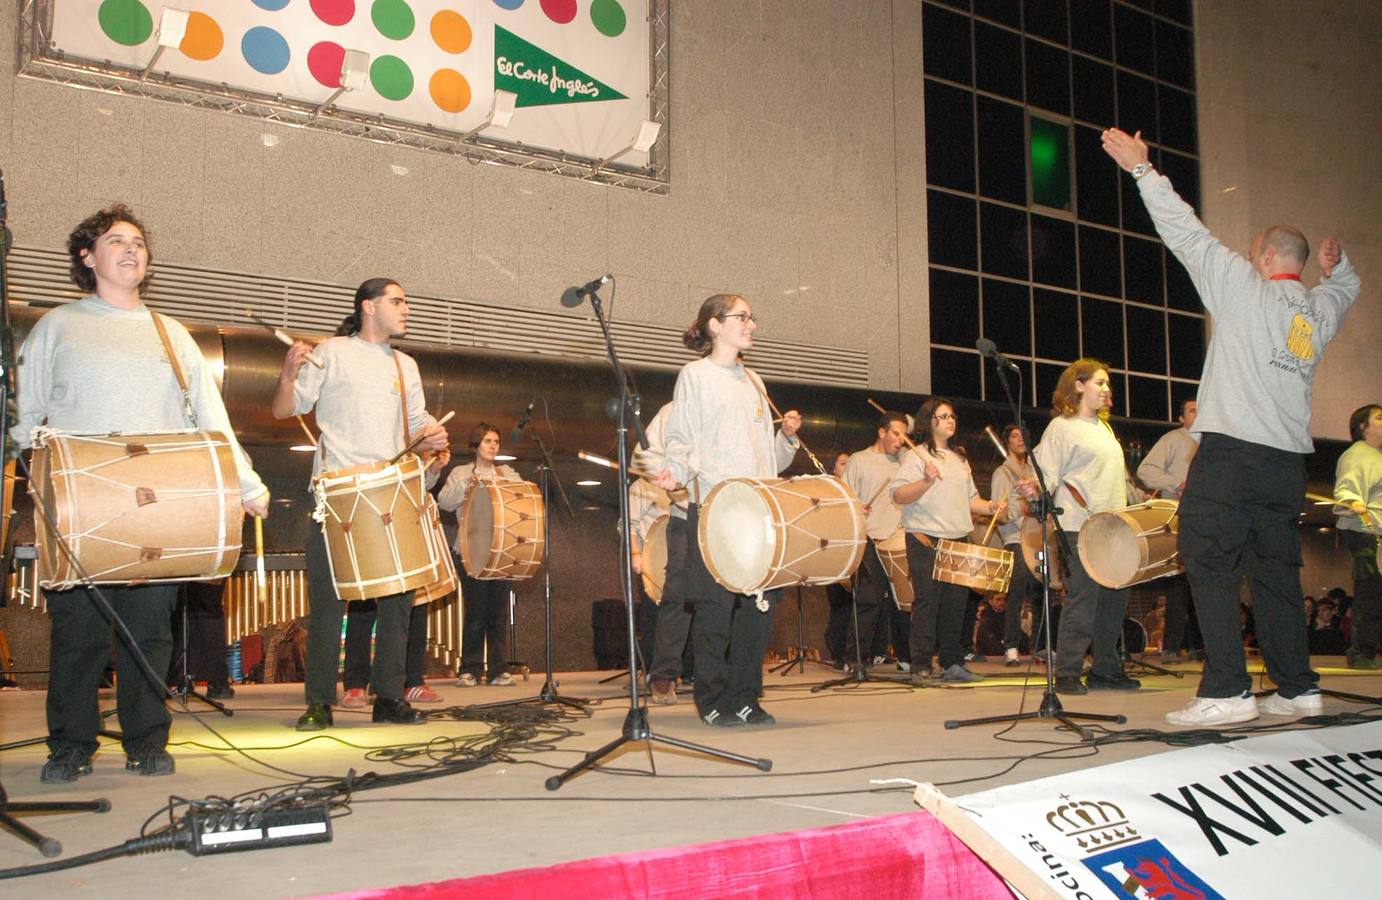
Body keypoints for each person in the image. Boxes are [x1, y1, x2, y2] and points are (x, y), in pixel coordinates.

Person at [1103, 127, 1361, 726]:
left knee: (1210, 559)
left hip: (1233, 455)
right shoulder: (1318, 311)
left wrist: (1144, 170)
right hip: (1284, 467)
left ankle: (1226, 690)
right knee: (1273, 573)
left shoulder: (1246, 289)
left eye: (1252, 254)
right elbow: (1345, 289)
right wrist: (1339, 265)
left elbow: (1186, 232)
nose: (1246, 261)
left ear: (1267, 259)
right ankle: (1298, 687)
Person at [19, 205, 270, 783]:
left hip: (161, 504)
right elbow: (27, 418)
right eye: (115, 241)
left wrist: (246, 484)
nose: (131, 249)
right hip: (84, 506)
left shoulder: (170, 332)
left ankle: (146, 740)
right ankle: (71, 745)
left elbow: (212, 418)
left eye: (138, 242)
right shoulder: (57, 325)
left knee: (149, 635)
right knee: (78, 636)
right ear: (88, 257)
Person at [274, 277, 448, 730]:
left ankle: (389, 696)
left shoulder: (405, 365)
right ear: (368, 307)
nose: (406, 308)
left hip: (391, 490)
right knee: (328, 600)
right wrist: (289, 372)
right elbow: (284, 409)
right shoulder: (331, 352)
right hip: (337, 492)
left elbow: (412, 424)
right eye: (397, 301)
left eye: (406, 301)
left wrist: (430, 435)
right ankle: (318, 702)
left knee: (398, 599)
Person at [652, 293, 801, 726]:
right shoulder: (694, 375)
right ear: (715, 326)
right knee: (715, 606)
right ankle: (712, 696)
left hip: (759, 510)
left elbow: (766, 458)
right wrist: (675, 471)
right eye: (742, 317)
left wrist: (786, 439)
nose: (751, 324)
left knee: (759, 607)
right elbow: (682, 437)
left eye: (752, 317)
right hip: (716, 507)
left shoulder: (755, 381)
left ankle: (746, 696)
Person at [1020, 359, 1139, 695]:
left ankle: (1105, 668)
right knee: (1084, 598)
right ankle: (1069, 671)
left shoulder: (1104, 428)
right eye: (1099, 383)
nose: (1106, 389)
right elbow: (1046, 474)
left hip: (1114, 526)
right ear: (1078, 386)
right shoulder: (1062, 427)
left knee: (1114, 599)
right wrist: (1034, 488)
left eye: (1107, 384)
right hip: (1079, 525)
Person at [891, 397, 998, 684]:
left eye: (952, 416)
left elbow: (971, 499)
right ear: (930, 421)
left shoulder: (960, 458)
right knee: (928, 602)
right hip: (926, 537)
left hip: (958, 539)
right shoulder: (916, 456)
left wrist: (993, 508)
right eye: (943, 416)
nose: (951, 420)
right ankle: (921, 664)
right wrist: (925, 481)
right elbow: (898, 495)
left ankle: (952, 662)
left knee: (956, 605)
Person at [438, 423, 521, 687]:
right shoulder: (461, 472)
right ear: (476, 445)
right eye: (487, 441)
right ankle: (470, 669)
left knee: (498, 612)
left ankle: (498, 669)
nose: (493, 445)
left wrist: (505, 484)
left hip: (501, 550)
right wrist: (466, 485)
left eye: (496, 441)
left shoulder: (506, 471)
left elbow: (522, 495)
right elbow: (444, 502)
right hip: (470, 551)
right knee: (476, 611)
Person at [633, 402, 696, 704]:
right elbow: (642, 455)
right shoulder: (675, 409)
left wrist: (784, 440)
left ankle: (714, 673)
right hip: (684, 514)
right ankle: (664, 673)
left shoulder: (744, 401)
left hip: (726, 512)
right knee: (678, 595)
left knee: (726, 600)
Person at [1137, 399, 1203, 663]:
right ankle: (1172, 647)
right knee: (1178, 583)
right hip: (1179, 518)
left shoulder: (1210, 442)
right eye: (1191, 410)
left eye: (1200, 409)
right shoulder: (1174, 439)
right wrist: (1177, 483)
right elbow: (1146, 470)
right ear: (1180, 418)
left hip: (1204, 519)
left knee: (1201, 584)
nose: (1197, 414)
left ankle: (1199, 645)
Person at [840, 416, 909, 671]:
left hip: (898, 537)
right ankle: (854, 657)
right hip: (869, 537)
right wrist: (856, 507)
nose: (901, 440)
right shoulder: (859, 460)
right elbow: (844, 496)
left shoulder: (905, 462)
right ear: (882, 432)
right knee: (869, 599)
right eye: (897, 434)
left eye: (904, 435)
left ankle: (906, 657)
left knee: (903, 602)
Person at [988, 424, 1046, 666]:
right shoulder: (1002, 473)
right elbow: (999, 512)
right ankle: (1011, 646)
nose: (1020, 439)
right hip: (1016, 539)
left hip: (1039, 538)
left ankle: (1041, 646)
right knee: (1016, 594)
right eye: (1014, 436)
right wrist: (1020, 508)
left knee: (1044, 591)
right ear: (1007, 442)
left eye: (1023, 435)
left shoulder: (1035, 470)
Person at [1333, 404, 1382, 670]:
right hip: (1365, 530)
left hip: (1374, 532)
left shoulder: (1375, 456)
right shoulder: (1357, 455)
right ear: (1363, 426)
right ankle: (1361, 652)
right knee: (1371, 592)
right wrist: (1353, 501)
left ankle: (1366, 649)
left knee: (1374, 592)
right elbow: (1347, 488)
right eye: (1379, 418)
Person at [823, 451, 854, 666]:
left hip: (854, 549)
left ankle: (853, 652)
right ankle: (838, 649)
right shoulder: (828, 490)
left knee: (854, 604)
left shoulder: (855, 488)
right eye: (843, 463)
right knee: (840, 603)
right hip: (834, 551)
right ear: (833, 468)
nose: (847, 467)